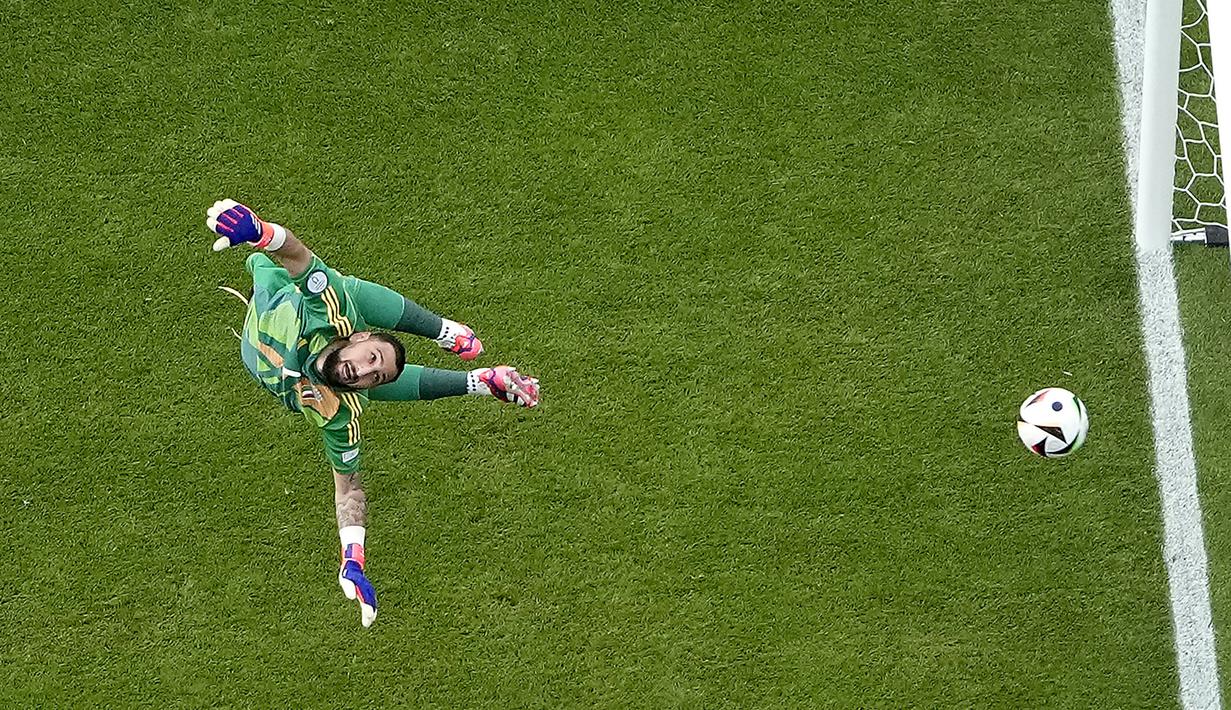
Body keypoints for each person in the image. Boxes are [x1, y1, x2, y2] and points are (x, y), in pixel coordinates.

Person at [206, 199, 540, 627]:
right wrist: (259, 231)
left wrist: (353, 559)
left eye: (373, 377)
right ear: (359, 337)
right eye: (370, 358)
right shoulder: (331, 314)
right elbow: (298, 255)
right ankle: (445, 331)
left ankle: (479, 381)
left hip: (259, 351)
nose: (363, 371)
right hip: (279, 296)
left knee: (354, 372)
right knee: (337, 288)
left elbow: (349, 491)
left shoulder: (340, 413)